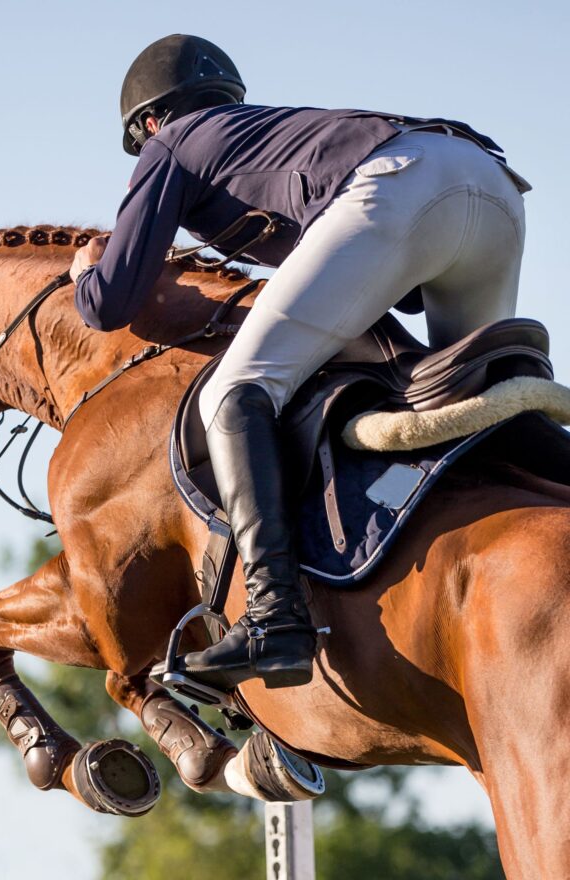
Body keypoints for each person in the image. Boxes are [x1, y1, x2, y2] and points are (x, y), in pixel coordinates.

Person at [69, 34, 529, 692]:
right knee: (476, 409)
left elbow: (112, 301)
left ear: (148, 123)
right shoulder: (263, 136)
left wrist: (85, 275)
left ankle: (273, 619)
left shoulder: (169, 144)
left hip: (398, 184)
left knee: (233, 391)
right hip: (490, 182)